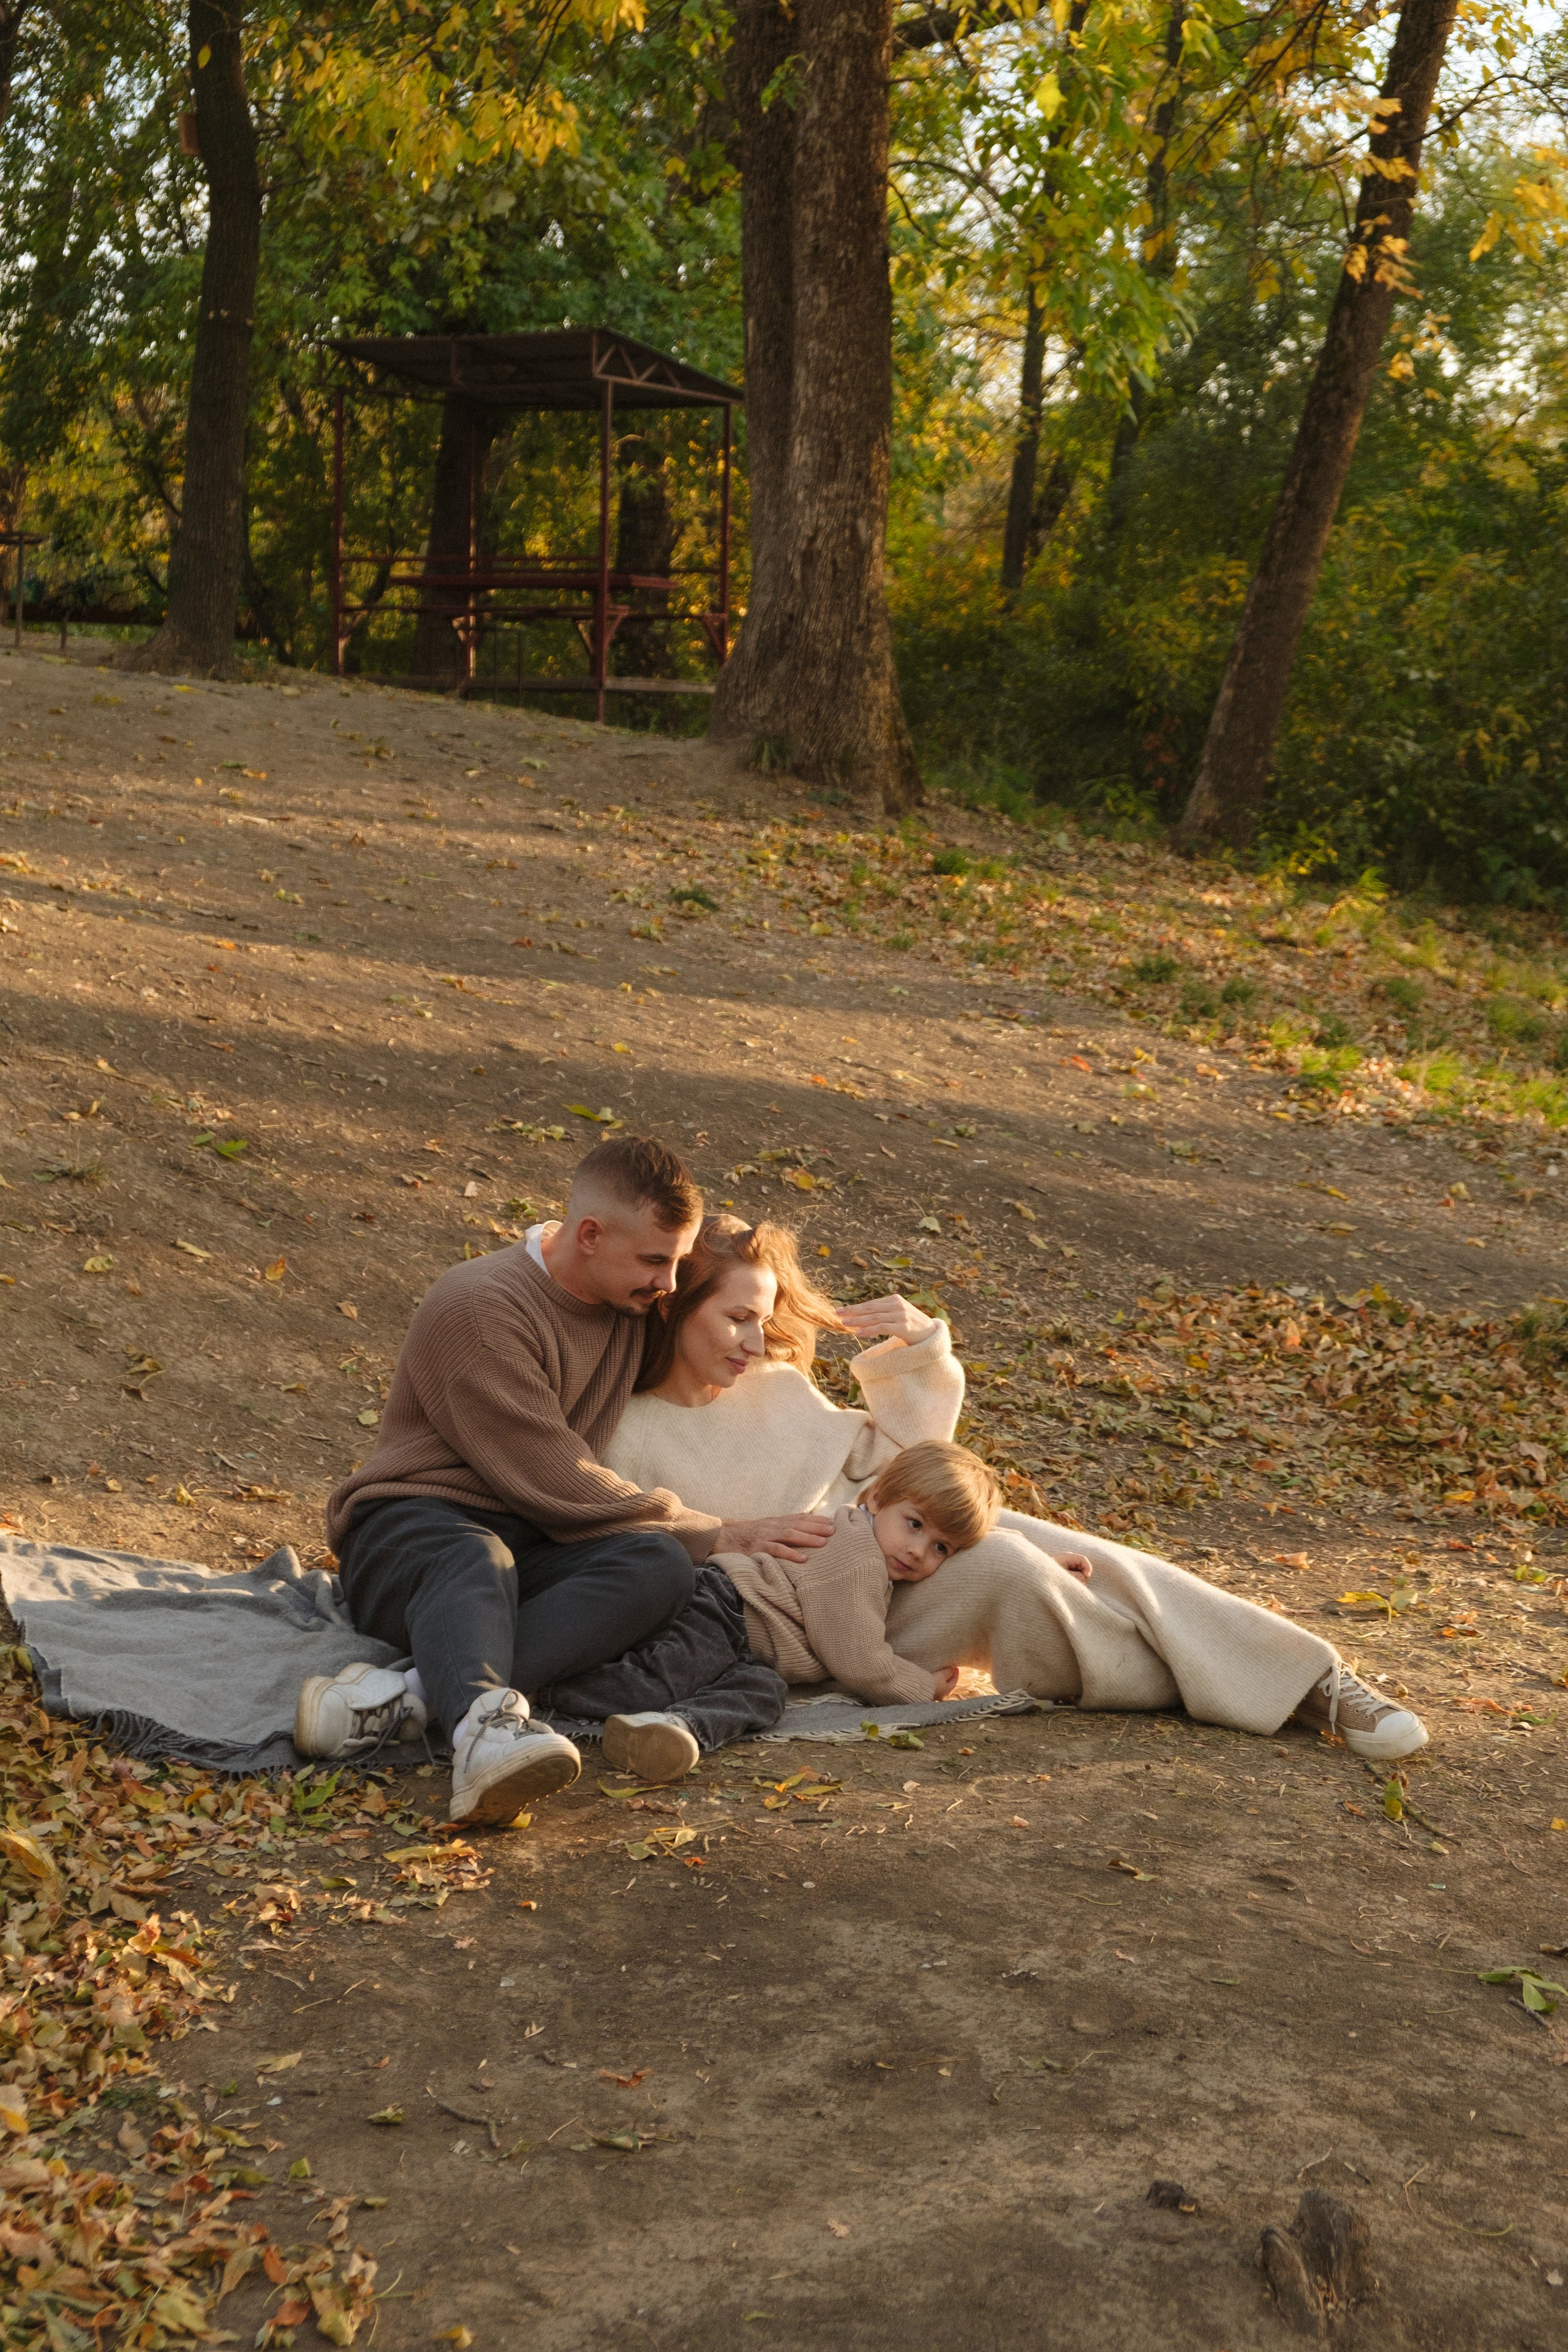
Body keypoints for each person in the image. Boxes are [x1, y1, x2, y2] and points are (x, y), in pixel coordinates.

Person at [598, 1215, 1429, 1764]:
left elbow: (898, 1474)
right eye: (733, 1318)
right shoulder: (622, 1426)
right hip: (787, 1627)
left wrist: (919, 1352)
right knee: (1014, 1569)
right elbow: (614, 1551)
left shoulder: (777, 1389)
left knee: (1038, 1544)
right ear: (676, 1310)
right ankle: (1245, 1683)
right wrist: (729, 1531)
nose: (754, 1340)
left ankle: (1312, 1679)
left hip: (888, 1579)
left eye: (763, 1317)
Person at [297, 1139, 825, 1826]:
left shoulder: (630, 1303)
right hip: (412, 1533)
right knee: (475, 1556)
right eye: (654, 1262)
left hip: (528, 1545)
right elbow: (551, 1478)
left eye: (675, 1262)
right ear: (589, 1235)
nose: (667, 1285)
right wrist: (722, 1531)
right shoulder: (481, 1307)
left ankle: (411, 1695)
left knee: (658, 1561)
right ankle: (485, 1743)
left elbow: (716, 1303)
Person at [539, 1438, 1038, 1784]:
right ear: (878, 1498)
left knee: (763, 1693)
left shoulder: (875, 1549)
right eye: (914, 1524)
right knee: (661, 1676)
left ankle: (678, 1728)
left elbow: (984, 1556)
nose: (918, 1551)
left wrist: (1042, 1560)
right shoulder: (858, 1554)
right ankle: (549, 1693)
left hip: (749, 1645)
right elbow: (859, 1660)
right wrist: (923, 1687)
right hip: (724, 1607)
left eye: (941, 1549)